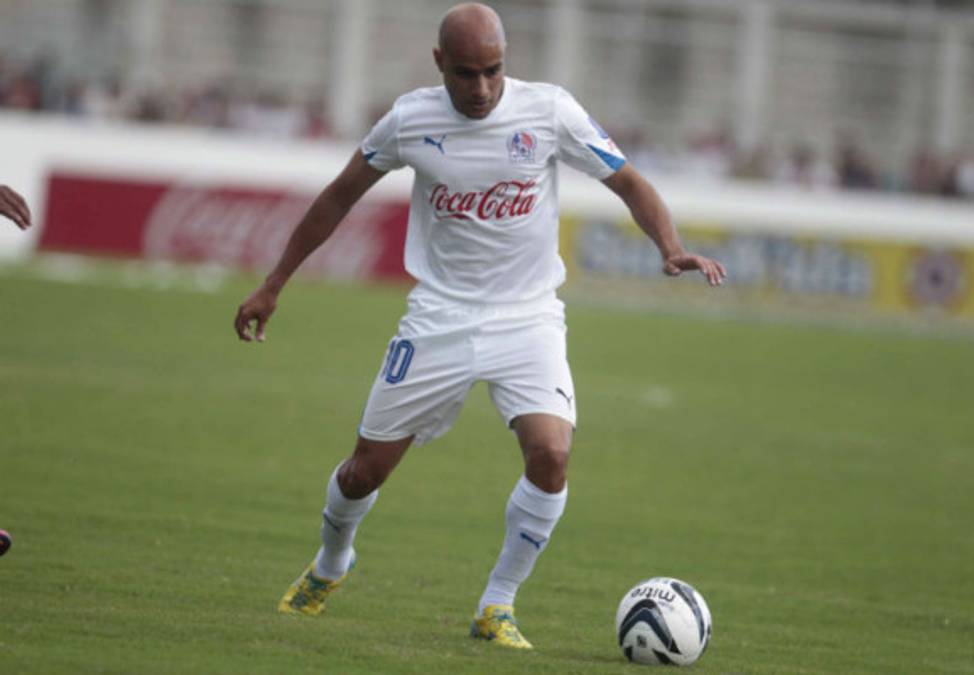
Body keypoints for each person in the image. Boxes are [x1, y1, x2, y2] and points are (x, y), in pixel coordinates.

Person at [233, 2, 726, 650]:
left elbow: (628, 180)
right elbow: (337, 197)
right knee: (363, 472)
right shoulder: (409, 120)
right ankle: (331, 562)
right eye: (466, 73)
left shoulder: (549, 111)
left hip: (528, 317)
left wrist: (670, 247)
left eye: (493, 70)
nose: (482, 88)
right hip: (439, 316)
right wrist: (274, 282)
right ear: (440, 62)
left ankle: (497, 604)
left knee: (551, 455)